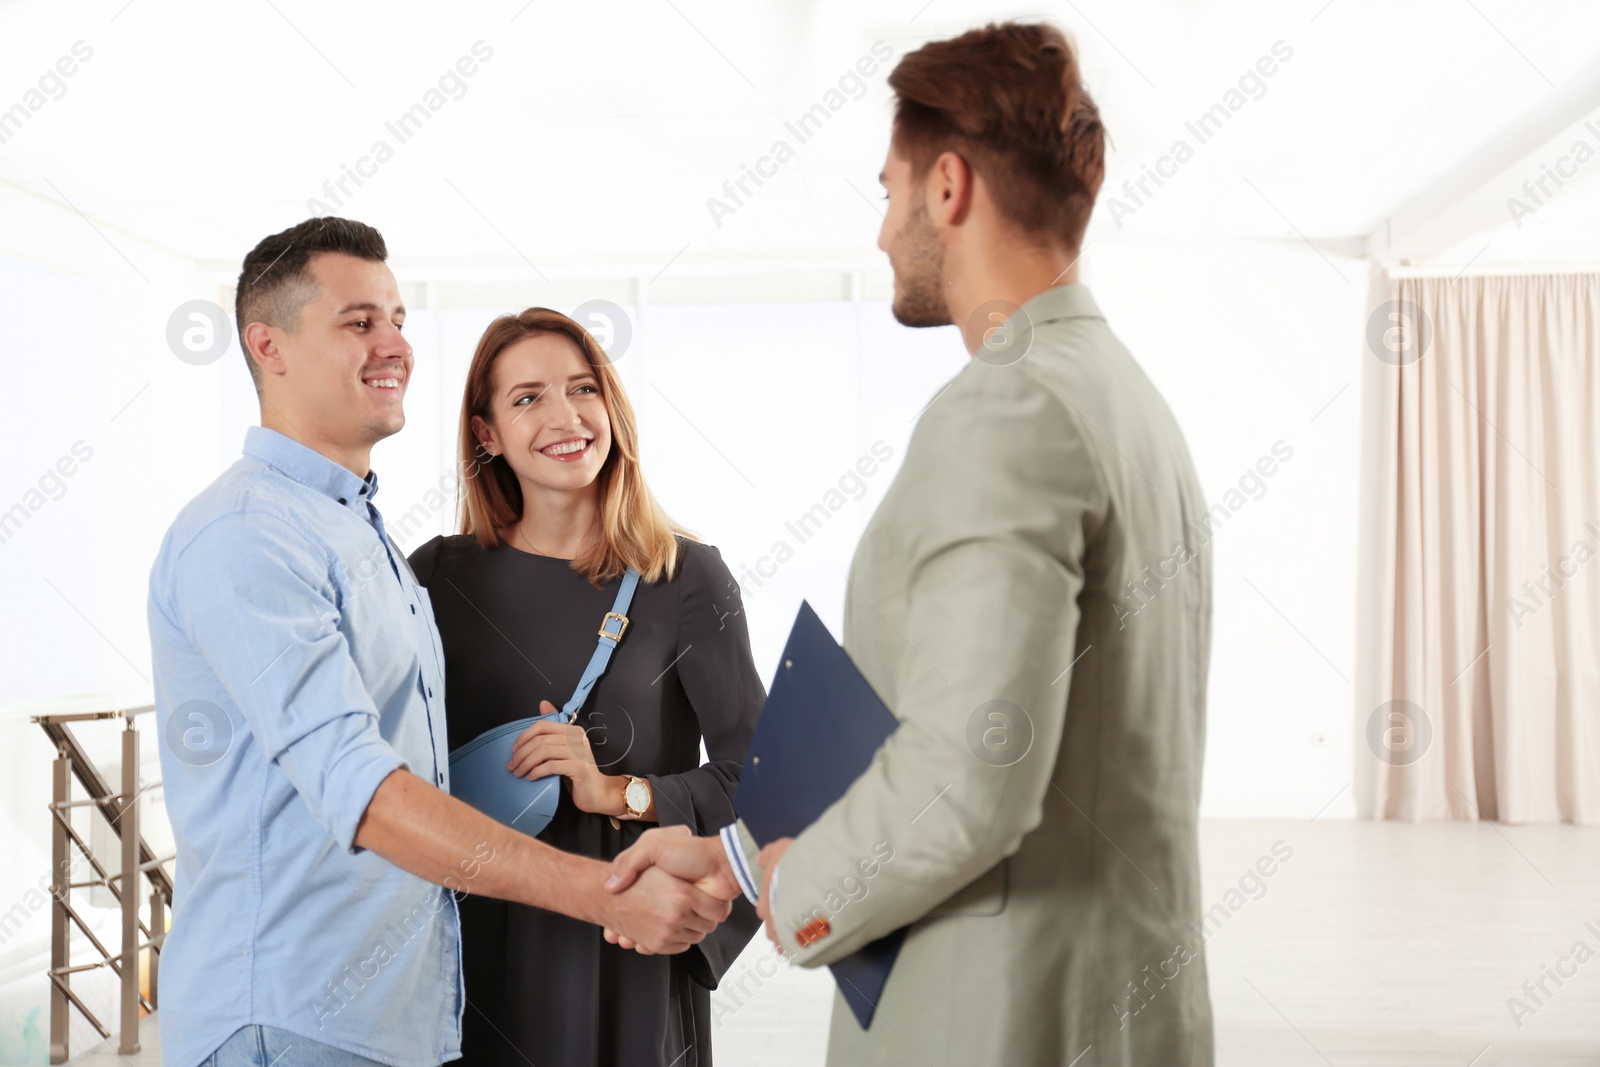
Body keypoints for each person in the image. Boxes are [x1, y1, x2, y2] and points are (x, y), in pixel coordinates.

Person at [605, 21, 1216, 1066]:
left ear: (948, 187)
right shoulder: (1126, 401)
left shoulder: (1005, 413)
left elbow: (970, 767)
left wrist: (795, 890)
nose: (884, 231)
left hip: (1000, 1014)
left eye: (887, 193)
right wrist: (741, 860)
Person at [147, 217, 735, 1067]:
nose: (395, 345)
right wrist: (606, 893)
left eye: (398, 318)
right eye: (359, 322)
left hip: (399, 1017)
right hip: (292, 1018)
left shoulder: (362, 537)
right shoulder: (249, 535)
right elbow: (368, 791)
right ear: (267, 346)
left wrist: (624, 798)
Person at [407, 308, 762, 1067]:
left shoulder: (687, 578)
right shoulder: (435, 576)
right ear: (486, 433)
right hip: (473, 941)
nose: (566, 417)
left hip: (622, 947)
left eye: (582, 388)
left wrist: (619, 792)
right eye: (529, 397)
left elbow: (761, 781)